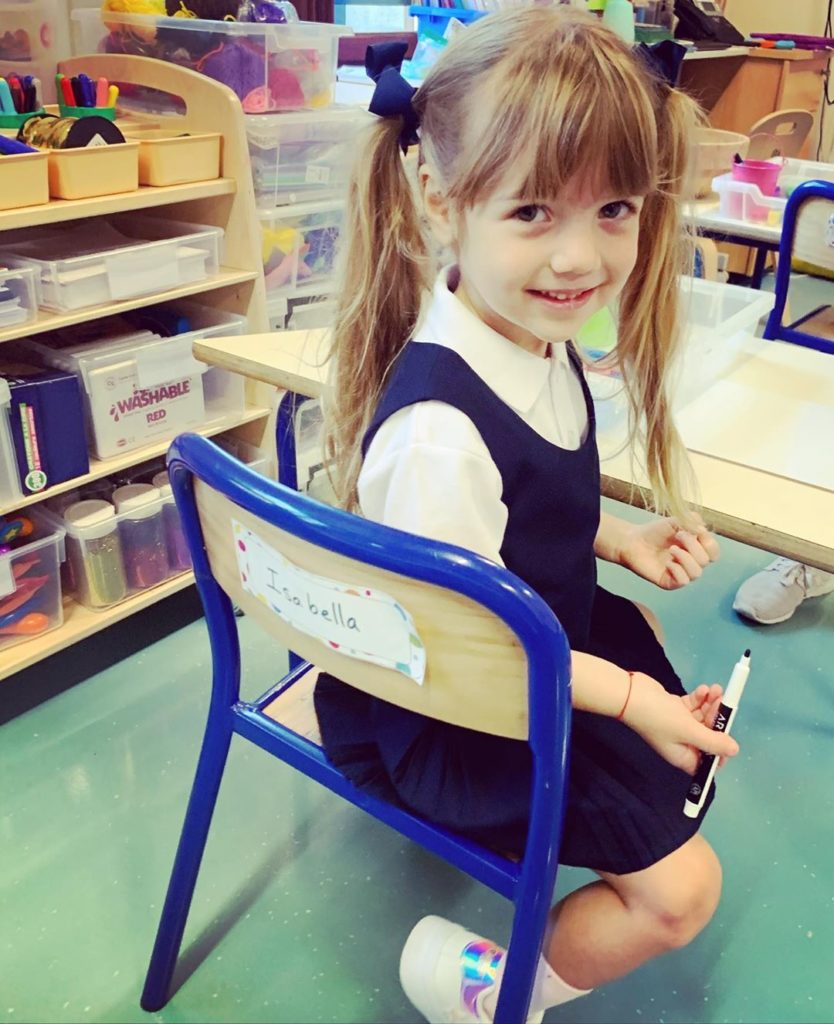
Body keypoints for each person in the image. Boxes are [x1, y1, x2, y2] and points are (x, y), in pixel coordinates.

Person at [314, 9, 740, 1022]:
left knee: (656, 681)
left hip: (532, 644)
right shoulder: (437, 436)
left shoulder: (532, 331)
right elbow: (474, 657)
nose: (581, 259)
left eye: (615, 209)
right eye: (535, 211)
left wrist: (619, 538)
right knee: (683, 896)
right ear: (441, 200)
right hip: (464, 715)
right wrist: (632, 702)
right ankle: (494, 991)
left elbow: (518, 505)